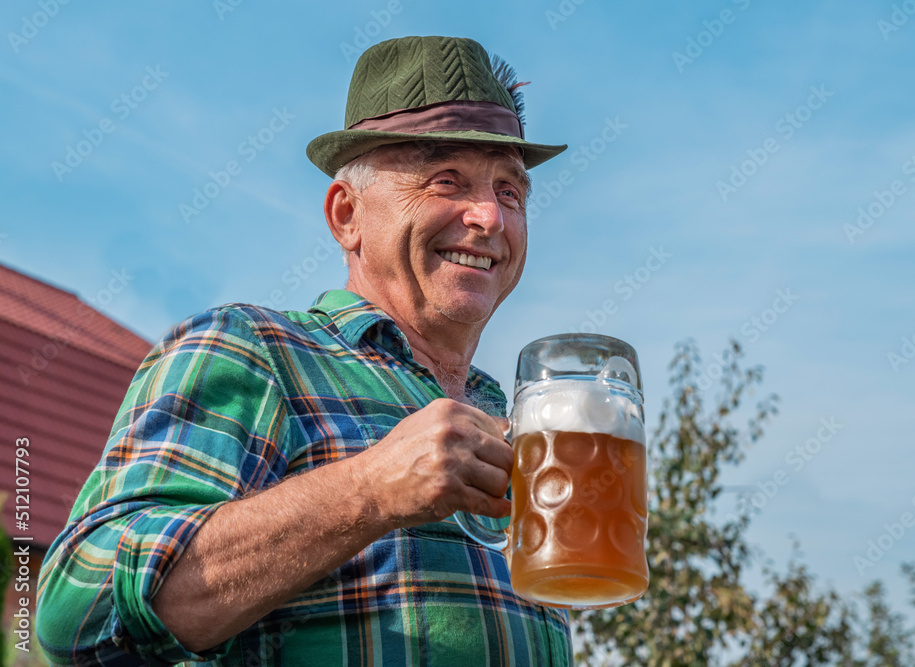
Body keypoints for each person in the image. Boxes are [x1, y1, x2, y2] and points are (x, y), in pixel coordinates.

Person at [36, 36, 572, 666]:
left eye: (510, 191)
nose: (489, 216)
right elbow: (76, 609)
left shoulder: (511, 415)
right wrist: (370, 490)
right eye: (445, 180)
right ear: (347, 215)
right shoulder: (251, 350)